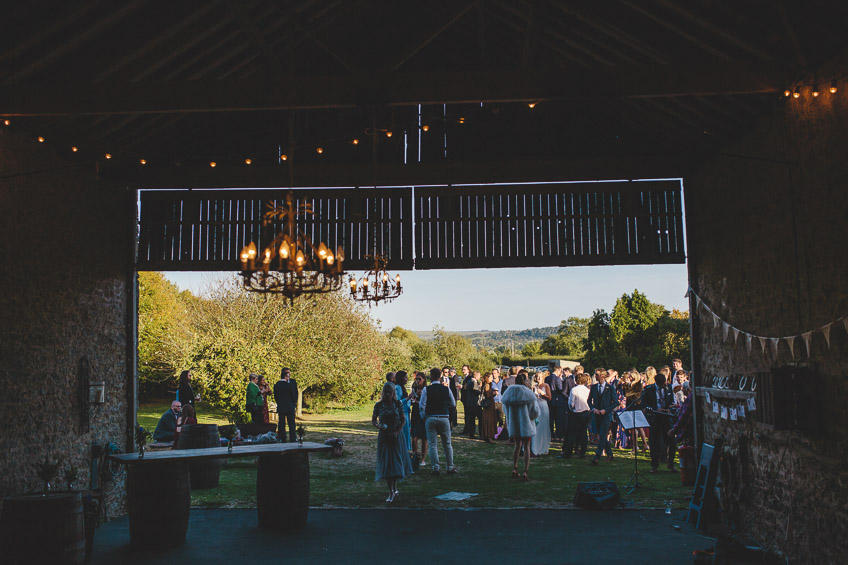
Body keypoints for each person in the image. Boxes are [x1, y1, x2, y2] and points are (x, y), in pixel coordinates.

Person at [372, 382, 408, 502]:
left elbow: (403, 419)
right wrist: (379, 426)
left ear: (393, 393)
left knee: (396, 461)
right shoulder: (379, 405)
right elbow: (373, 420)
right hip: (384, 435)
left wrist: (397, 431)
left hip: (396, 435)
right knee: (387, 462)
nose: (387, 394)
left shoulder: (398, 404)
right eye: (385, 392)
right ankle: (391, 490)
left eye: (390, 392)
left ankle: (395, 486)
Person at [419, 367, 457, 475]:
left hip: (431, 417)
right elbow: (453, 403)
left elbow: (422, 405)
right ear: (440, 376)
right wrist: (446, 407)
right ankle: (450, 466)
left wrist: (423, 416)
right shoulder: (446, 389)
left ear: (431, 376)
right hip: (444, 416)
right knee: (447, 444)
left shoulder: (427, 389)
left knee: (432, 444)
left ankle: (435, 468)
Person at [501, 372, 539, 480]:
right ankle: (525, 471)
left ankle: (515, 468)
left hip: (514, 424)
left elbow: (505, 409)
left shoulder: (509, 392)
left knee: (517, 446)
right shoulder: (528, 394)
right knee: (526, 447)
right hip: (526, 424)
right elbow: (534, 412)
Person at [641, 371, 677, 474]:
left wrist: (669, 408)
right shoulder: (648, 390)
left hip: (666, 417)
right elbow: (644, 404)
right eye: (662, 384)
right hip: (655, 417)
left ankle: (671, 463)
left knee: (671, 440)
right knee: (654, 442)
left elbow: (671, 401)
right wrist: (655, 409)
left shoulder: (668, 388)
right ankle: (654, 465)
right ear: (657, 383)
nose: (664, 385)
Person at [588, 369, 618, 465]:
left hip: (606, 415)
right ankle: (610, 454)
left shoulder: (610, 388)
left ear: (602, 376)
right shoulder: (593, 387)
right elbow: (589, 401)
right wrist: (593, 409)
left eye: (596, 375)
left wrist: (606, 410)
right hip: (596, 414)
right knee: (601, 435)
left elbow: (616, 402)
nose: (595, 376)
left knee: (602, 435)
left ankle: (597, 456)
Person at [562, 373, 590, 459]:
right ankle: (582, 453)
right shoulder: (587, 390)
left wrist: (572, 408)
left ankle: (568, 453)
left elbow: (571, 403)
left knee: (572, 433)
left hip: (577, 412)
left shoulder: (574, 390)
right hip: (586, 412)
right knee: (584, 433)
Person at [394, 370, 414, 477]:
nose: (407, 379)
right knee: (403, 436)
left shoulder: (402, 388)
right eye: (405, 377)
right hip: (402, 415)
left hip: (406, 413)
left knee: (407, 435)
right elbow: (398, 402)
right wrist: (409, 397)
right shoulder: (397, 388)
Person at [273, 367, 298, 442]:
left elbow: (276, 396)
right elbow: (293, 395)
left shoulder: (277, 385)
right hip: (289, 406)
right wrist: (293, 402)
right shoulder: (289, 385)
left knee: (281, 424)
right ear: (286, 376)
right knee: (291, 424)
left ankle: (282, 438)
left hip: (281, 406)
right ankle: (292, 438)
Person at [531, 372, 552, 456]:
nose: (539, 379)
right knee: (536, 425)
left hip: (543, 406)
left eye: (540, 377)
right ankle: (536, 446)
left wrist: (543, 394)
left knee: (543, 426)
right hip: (536, 406)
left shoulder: (546, 386)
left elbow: (550, 398)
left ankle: (543, 447)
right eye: (537, 377)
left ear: (543, 378)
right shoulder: (534, 386)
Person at [409, 372, 428, 464]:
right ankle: (415, 456)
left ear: (424, 379)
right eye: (416, 379)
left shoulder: (427, 389)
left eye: (419, 379)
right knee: (414, 437)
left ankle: (423, 458)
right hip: (415, 413)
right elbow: (411, 401)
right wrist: (415, 396)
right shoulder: (414, 388)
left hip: (423, 414)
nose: (417, 381)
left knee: (424, 438)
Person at [547, 365, 565, 440]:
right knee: (558, 420)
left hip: (549, 401)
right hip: (558, 401)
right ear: (558, 370)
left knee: (550, 419)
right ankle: (558, 435)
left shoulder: (547, 378)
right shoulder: (557, 379)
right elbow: (561, 389)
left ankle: (551, 434)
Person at [479, 372, 498, 442]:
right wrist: (494, 393)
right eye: (490, 377)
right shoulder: (487, 385)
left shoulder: (487, 385)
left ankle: (487, 435)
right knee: (489, 420)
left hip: (489, 405)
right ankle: (488, 435)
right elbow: (488, 395)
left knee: (489, 419)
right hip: (488, 405)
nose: (492, 378)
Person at [463, 369, 482, 438]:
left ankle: (471, 434)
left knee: (471, 419)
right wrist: (480, 387)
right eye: (479, 376)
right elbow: (476, 392)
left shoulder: (468, 381)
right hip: (475, 403)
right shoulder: (473, 383)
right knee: (480, 418)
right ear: (476, 376)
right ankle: (480, 433)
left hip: (470, 403)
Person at [459, 365, 472, 434]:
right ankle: (466, 429)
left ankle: (467, 429)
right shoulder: (465, 377)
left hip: (467, 398)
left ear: (468, 370)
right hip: (465, 398)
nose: (463, 371)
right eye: (462, 369)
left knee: (468, 414)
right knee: (466, 414)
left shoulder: (469, 377)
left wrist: (462, 387)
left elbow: (468, 386)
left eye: (464, 369)